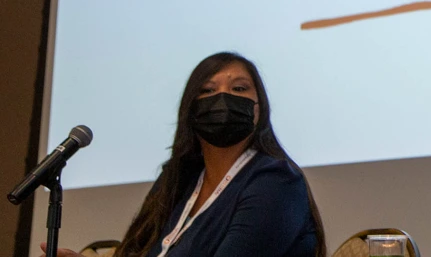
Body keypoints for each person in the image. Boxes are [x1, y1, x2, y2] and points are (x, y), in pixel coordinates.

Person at [40, 52, 326, 257]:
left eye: (239, 88)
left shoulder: (275, 182)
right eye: (208, 90)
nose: (224, 97)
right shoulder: (178, 181)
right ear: (191, 109)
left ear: (258, 108)